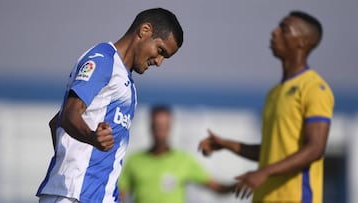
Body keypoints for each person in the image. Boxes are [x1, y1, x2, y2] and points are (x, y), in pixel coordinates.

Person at [36, 8, 183, 203]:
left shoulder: (128, 84)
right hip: (72, 195)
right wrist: (90, 139)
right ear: (145, 30)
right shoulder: (103, 60)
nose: (159, 62)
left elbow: (56, 121)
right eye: (160, 51)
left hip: (102, 197)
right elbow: (68, 115)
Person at [199, 11, 334, 203]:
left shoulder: (315, 88)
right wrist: (226, 144)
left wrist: (264, 173)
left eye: (284, 29)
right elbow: (271, 152)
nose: (274, 32)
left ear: (302, 42)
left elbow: (315, 148)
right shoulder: (274, 93)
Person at [118, 105, 234, 203]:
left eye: (164, 126)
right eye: (157, 126)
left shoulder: (183, 160)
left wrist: (238, 185)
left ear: (170, 127)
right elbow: (120, 195)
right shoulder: (135, 160)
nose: (160, 131)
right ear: (151, 127)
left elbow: (216, 187)